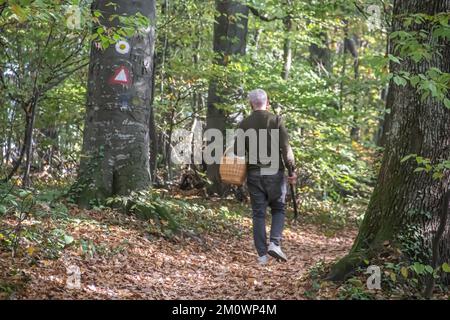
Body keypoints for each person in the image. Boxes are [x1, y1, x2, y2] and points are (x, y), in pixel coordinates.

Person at [234, 89, 296, 265]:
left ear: (250, 104)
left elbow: (238, 152)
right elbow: (286, 148)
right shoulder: (276, 120)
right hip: (275, 172)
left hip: (254, 174)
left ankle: (262, 256)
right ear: (267, 102)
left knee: (258, 214)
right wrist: (291, 170)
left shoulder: (243, 124)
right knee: (278, 209)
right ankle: (275, 243)